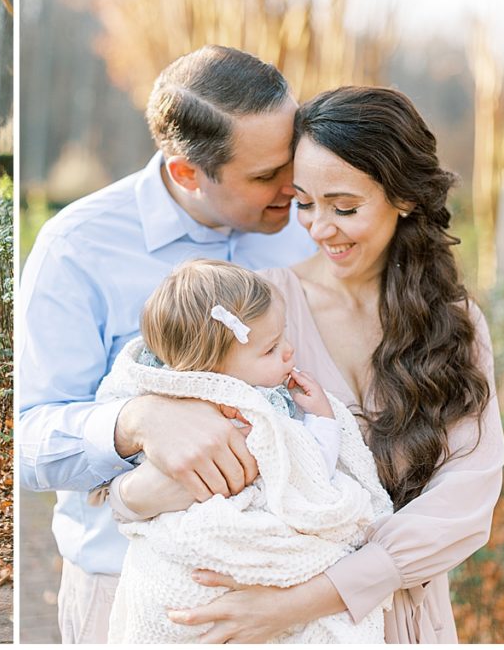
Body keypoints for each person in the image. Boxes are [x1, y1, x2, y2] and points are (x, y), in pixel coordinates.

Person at [145, 86, 504, 643]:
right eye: (305, 202)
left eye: (344, 207)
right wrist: (145, 424)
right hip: (279, 622)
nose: (317, 227)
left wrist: (304, 600)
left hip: (404, 620)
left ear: (403, 198)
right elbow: (164, 435)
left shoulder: (455, 324)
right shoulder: (260, 312)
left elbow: (467, 500)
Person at [18, 45, 317, 643]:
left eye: (293, 162)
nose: (292, 188)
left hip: (290, 596)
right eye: (265, 177)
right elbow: (27, 443)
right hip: (130, 589)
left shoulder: (310, 230)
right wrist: (137, 420)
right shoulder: (78, 247)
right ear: (185, 171)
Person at [94, 259, 391, 643]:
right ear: (211, 371)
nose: (288, 352)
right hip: (209, 542)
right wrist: (322, 420)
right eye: (270, 350)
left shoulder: (210, 397)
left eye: (283, 337)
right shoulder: (243, 415)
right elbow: (310, 476)